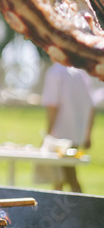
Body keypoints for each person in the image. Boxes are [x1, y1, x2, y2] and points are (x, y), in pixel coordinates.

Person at [41, 62, 95, 192]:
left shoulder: (55, 73)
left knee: (67, 177)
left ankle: (81, 208)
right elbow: (91, 106)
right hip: (77, 133)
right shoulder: (81, 74)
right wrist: (87, 134)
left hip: (59, 136)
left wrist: (48, 135)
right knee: (63, 178)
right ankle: (60, 209)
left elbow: (53, 105)